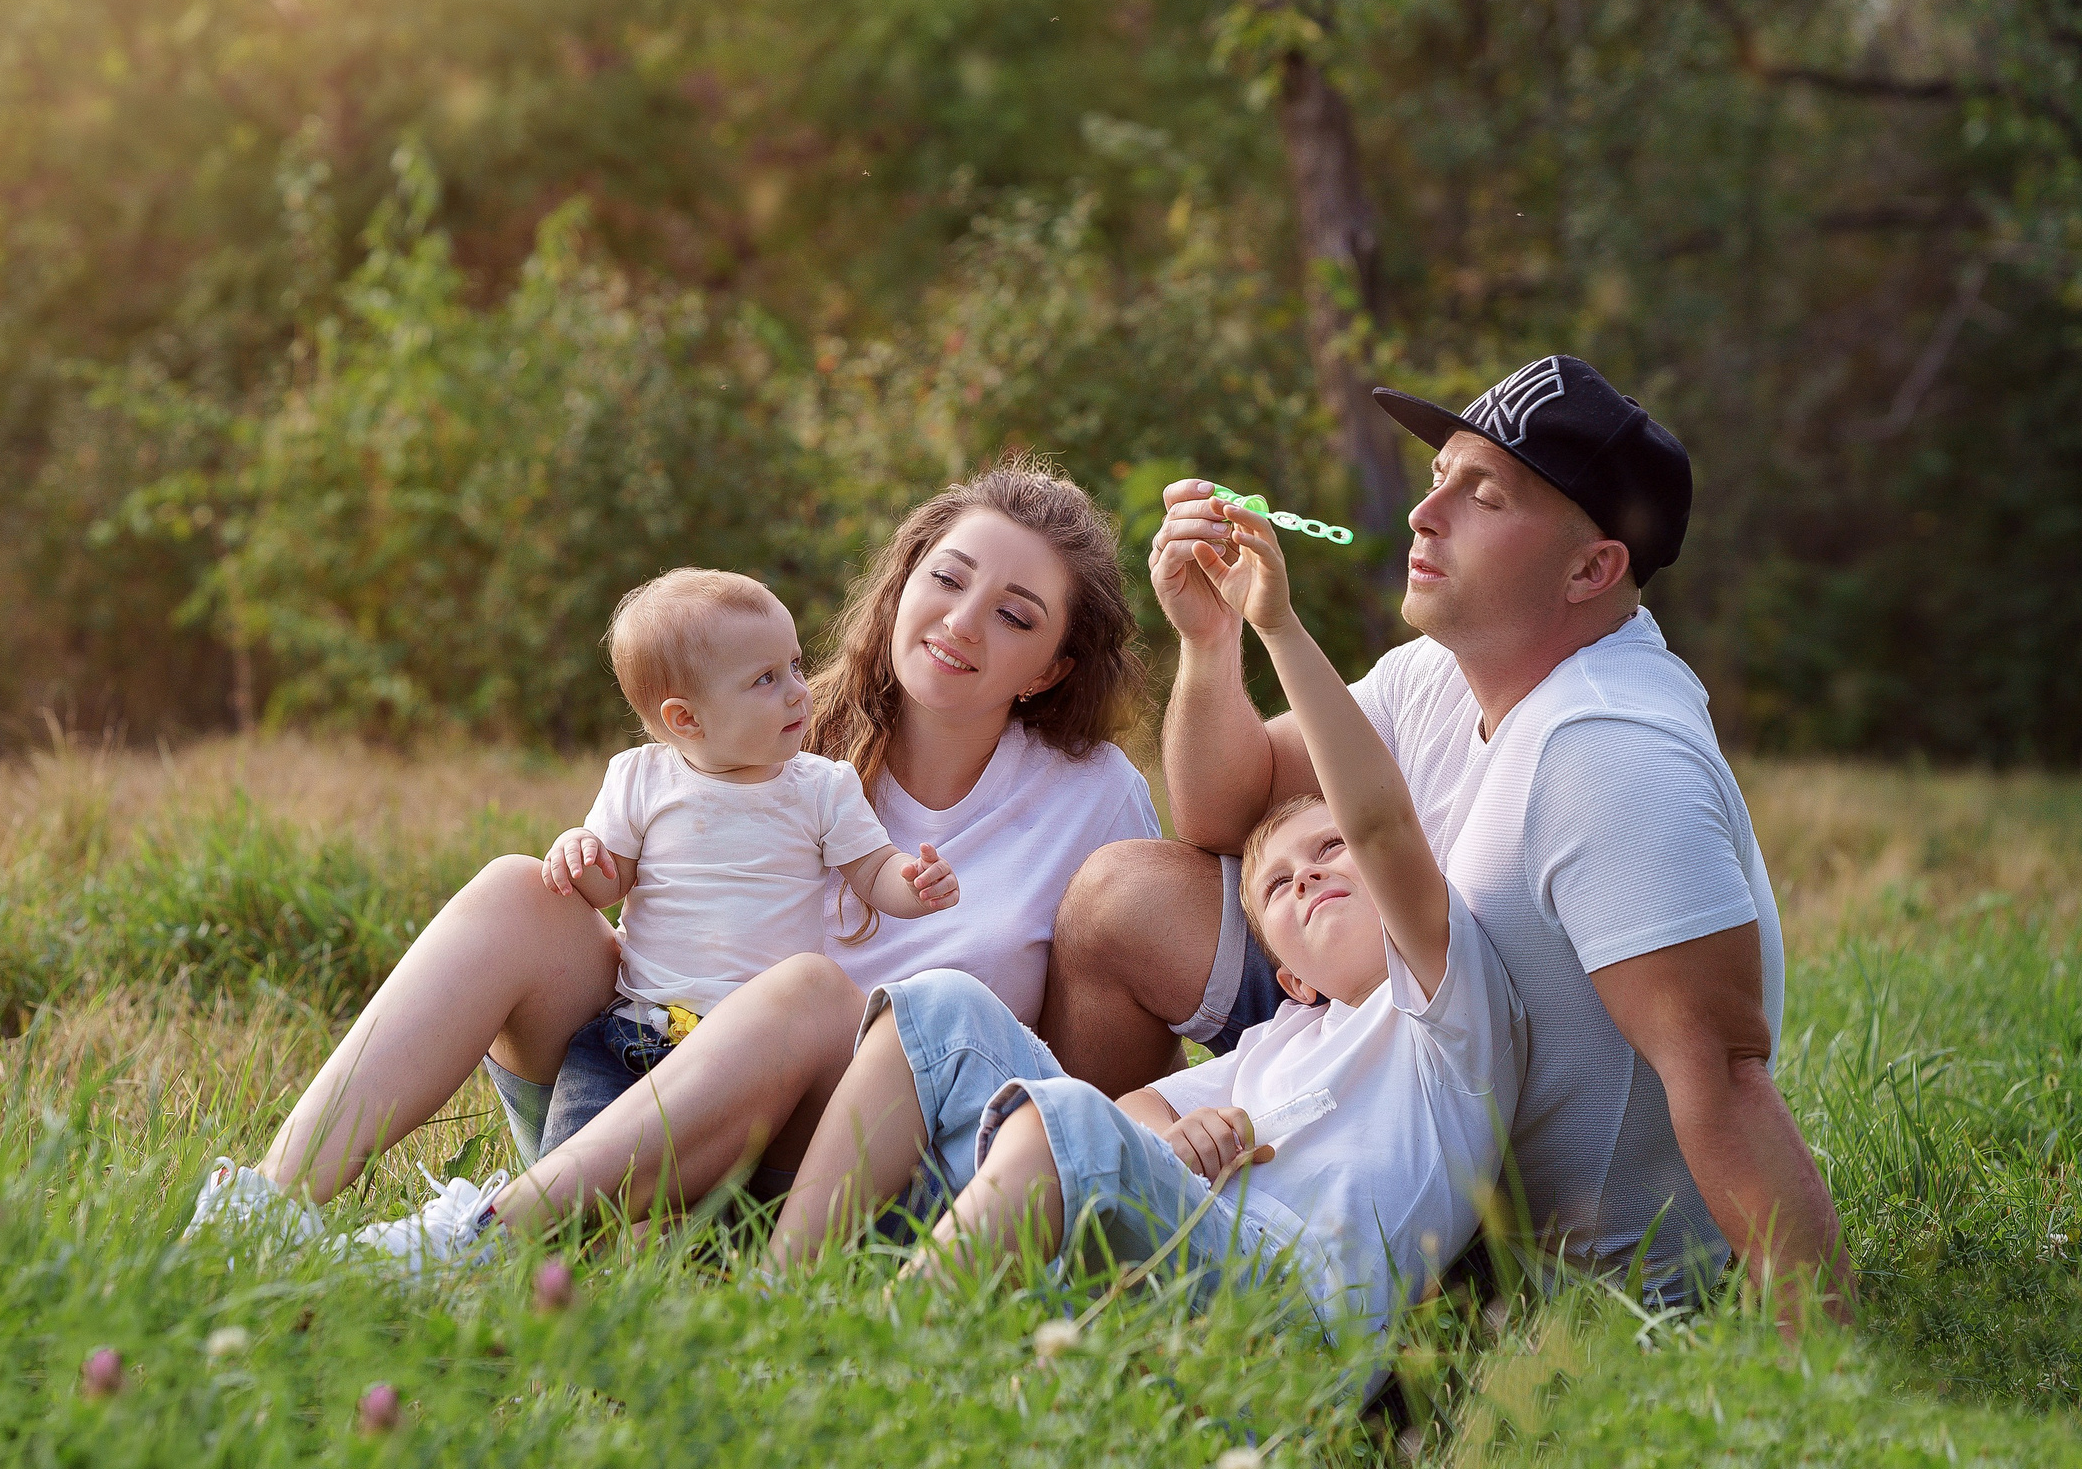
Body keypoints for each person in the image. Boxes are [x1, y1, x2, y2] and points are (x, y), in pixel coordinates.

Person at [1045, 355, 1852, 1324]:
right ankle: (1087, 1215)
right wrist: (1214, 641)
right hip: (1428, 1123)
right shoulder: (1447, 665)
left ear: (1591, 567)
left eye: (1485, 495)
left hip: (1564, 1269)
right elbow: (1226, 811)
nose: (1427, 516)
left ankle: (1105, 1241)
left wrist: (1821, 1370)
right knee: (1122, 896)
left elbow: (1723, 1072)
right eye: (1438, 480)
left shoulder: (1606, 748)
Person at [188, 459, 1158, 1251]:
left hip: (854, 1172)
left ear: (1052, 667)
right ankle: (263, 1208)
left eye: (1015, 613)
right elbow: (663, 917)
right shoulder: (783, 721)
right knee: (516, 890)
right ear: (904, 580)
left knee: (812, 990)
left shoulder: (1091, 793)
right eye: (947, 577)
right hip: (654, 1100)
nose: (959, 618)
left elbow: (1102, 1043)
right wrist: (587, 866)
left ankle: (476, 1237)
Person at [763, 502, 1523, 1351]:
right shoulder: (1285, 1042)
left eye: (1333, 849)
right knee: (940, 1005)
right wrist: (1174, 1131)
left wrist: (1273, 623)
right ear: (1291, 979)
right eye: (1275, 885)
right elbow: (1134, 1108)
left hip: (1296, 1310)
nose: (1307, 873)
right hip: (1184, 1265)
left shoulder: (1443, 996)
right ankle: (780, 1305)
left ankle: (876, 1362)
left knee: (1073, 1128)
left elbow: (1382, 820)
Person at [335, 568, 961, 1257]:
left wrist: (913, 882)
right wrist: (580, 851)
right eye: (764, 680)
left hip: (748, 1056)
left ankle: (644, 1246)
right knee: (575, 1179)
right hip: (627, 1040)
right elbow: (611, 884)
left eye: (793, 666)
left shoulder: (821, 786)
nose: (795, 692)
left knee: (684, 1194)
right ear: (683, 719)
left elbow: (871, 871)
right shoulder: (640, 779)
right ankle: (515, 1251)